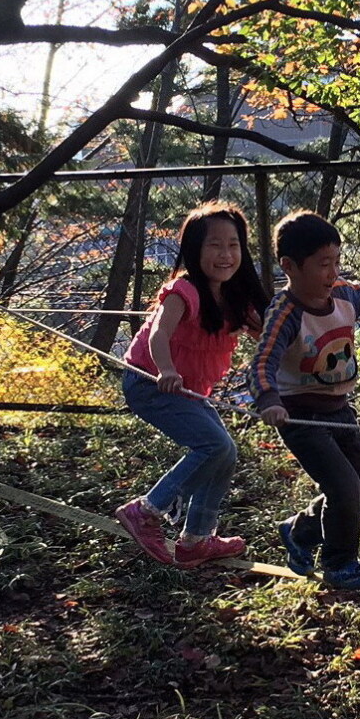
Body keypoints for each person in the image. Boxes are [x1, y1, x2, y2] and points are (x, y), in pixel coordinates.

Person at [250, 210, 360, 590]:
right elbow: (261, 363)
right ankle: (340, 564)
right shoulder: (285, 313)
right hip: (300, 417)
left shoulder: (340, 294)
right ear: (290, 266)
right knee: (343, 489)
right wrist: (269, 400)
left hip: (340, 410)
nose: (333, 272)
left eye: (336, 262)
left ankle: (302, 531)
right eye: (324, 264)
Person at [114, 202, 270, 568]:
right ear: (194, 249)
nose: (225, 254)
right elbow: (158, 333)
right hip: (150, 383)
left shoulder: (233, 297)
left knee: (225, 452)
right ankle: (148, 510)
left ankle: (197, 538)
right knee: (213, 444)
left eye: (233, 245)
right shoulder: (183, 290)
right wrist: (166, 369)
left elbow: (267, 333)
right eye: (215, 245)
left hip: (188, 392)